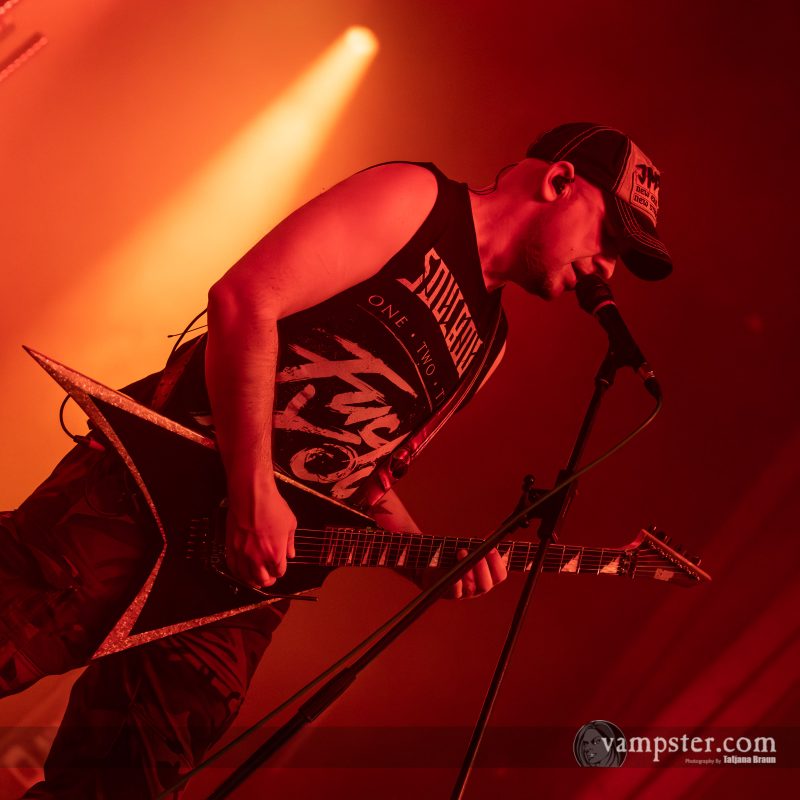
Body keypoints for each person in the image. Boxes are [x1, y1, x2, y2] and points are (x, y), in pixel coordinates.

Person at [0, 122, 671, 798]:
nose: (606, 268)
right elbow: (245, 299)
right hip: (144, 494)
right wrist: (251, 490)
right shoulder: (417, 201)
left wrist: (420, 554)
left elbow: (366, 475)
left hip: (232, 591)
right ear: (559, 181)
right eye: (609, 238)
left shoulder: (489, 344)